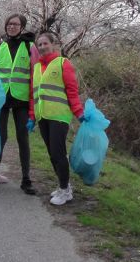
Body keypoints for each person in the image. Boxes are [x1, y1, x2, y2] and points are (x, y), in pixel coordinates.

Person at [28, 32, 85, 205]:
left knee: (58, 153)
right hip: (42, 116)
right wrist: (32, 117)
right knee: (52, 154)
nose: (42, 47)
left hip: (59, 116)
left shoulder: (63, 63)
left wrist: (79, 112)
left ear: (53, 44)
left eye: (45, 43)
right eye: (39, 44)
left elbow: (72, 91)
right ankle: (64, 186)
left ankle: (65, 191)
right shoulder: (37, 67)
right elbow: (33, 94)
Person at [0, 14, 38, 195]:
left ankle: (26, 179)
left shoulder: (30, 46)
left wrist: (33, 105)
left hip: (22, 99)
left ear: (22, 27)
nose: (12, 27)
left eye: (16, 24)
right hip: (1, 98)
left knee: (23, 138)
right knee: (0, 138)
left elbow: (34, 76)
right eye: (9, 24)